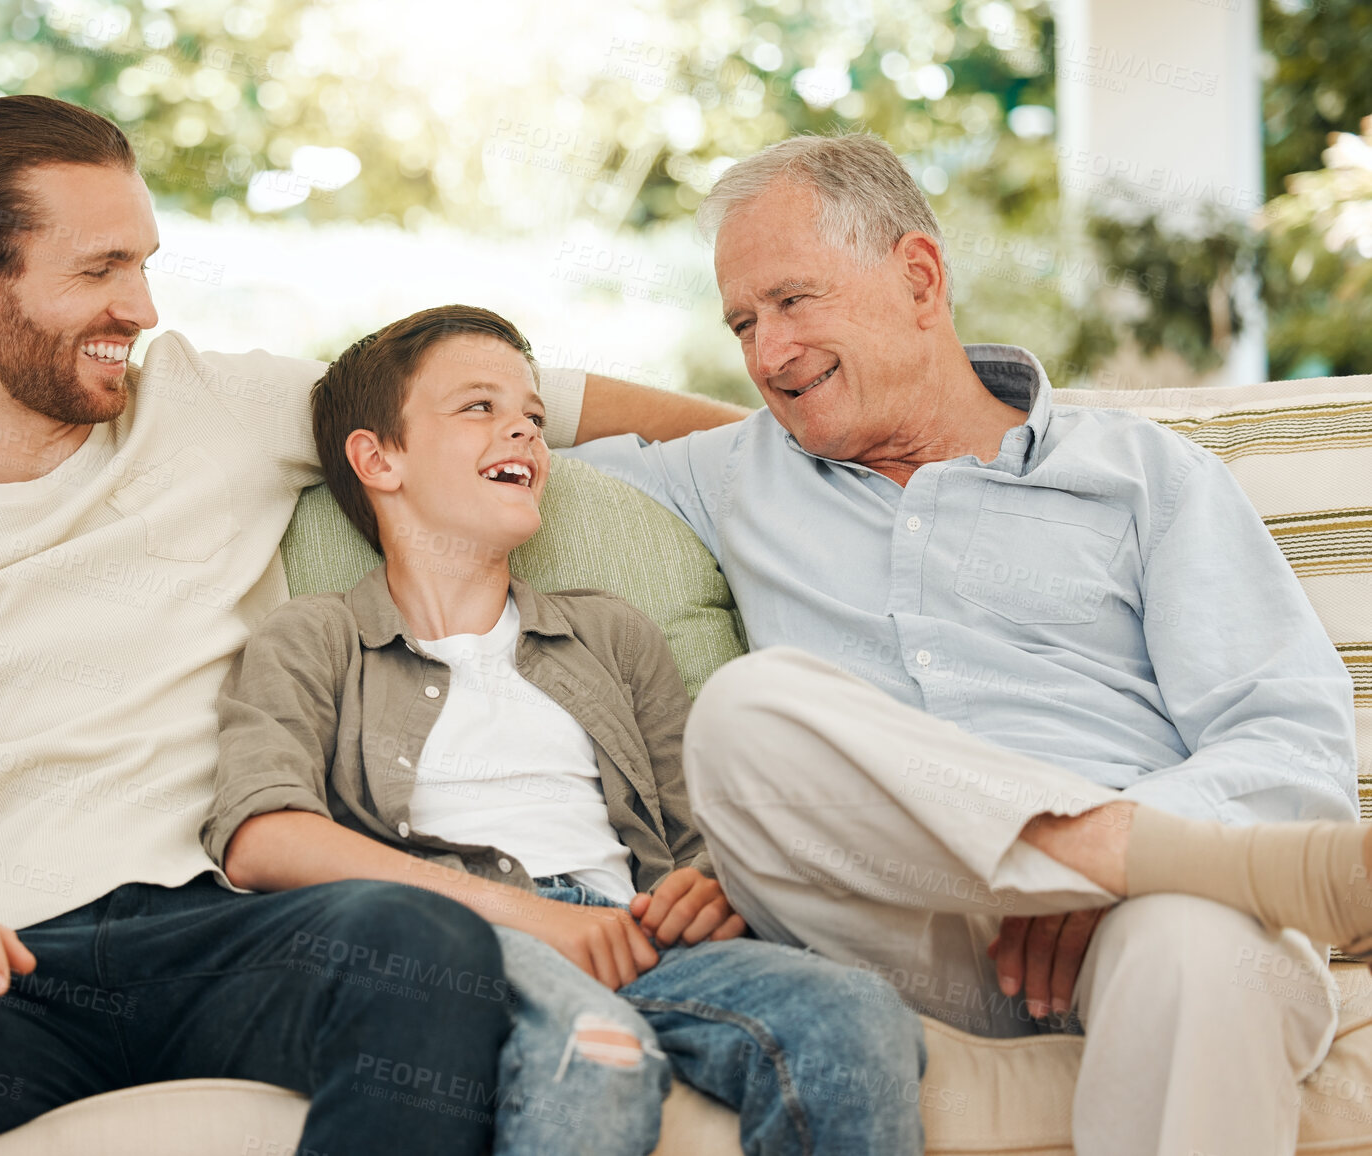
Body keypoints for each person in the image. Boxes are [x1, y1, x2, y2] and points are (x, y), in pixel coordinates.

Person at [0, 96, 741, 1156]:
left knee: (418, 939)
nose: (142, 309)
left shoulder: (206, 406)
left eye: (143, 264)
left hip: (231, 933)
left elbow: (531, 395)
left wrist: (772, 444)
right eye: (98, 270)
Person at [562, 131, 1366, 1156]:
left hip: (1140, 923)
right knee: (744, 712)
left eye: (794, 302)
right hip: (893, 934)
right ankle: (1112, 855)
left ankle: (1120, 860)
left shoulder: (1144, 477)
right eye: (741, 324)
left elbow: (1287, 742)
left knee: (1199, 947)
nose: (766, 354)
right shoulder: (729, 470)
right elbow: (490, 407)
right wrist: (1105, 858)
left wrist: (1110, 874)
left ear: (917, 277)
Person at [205, 303, 928, 1156]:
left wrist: (711, 885)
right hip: (465, 944)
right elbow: (261, 835)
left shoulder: (610, 633)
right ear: (378, 457)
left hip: (634, 934)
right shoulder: (316, 636)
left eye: (535, 418)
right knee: (597, 1057)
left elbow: (699, 833)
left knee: (857, 1013)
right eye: (480, 407)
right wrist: (533, 918)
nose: (522, 430)